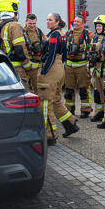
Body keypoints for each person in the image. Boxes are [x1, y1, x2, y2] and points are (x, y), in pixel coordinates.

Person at [38, 13, 78, 144]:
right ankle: (70, 123)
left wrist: (44, 71)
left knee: (45, 103)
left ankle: (50, 135)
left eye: (50, 20)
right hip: (59, 68)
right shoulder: (61, 34)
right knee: (56, 100)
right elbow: (64, 54)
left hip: (51, 69)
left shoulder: (54, 35)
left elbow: (51, 55)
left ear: (57, 22)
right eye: (47, 19)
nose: (47, 22)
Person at [0, 0, 32, 87]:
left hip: (2, 68)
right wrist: (28, 66)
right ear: (13, 7)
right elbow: (20, 49)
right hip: (16, 69)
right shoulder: (15, 25)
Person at [64, 15, 92, 118]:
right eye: (74, 21)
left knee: (84, 89)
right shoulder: (67, 34)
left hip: (82, 66)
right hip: (69, 66)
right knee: (69, 89)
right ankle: (69, 109)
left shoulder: (88, 35)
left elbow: (94, 46)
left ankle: (86, 110)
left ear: (83, 24)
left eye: (78, 22)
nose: (75, 23)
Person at [89, 14, 105, 122]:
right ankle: (99, 112)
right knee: (97, 92)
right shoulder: (94, 37)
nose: (97, 28)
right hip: (95, 69)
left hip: (104, 69)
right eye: (96, 26)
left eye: (100, 26)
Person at [23, 13, 44, 93]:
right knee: (25, 88)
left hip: (36, 66)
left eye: (34, 23)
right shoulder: (22, 32)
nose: (32, 25)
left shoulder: (39, 32)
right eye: (30, 23)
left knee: (37, 88)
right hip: (25, 66)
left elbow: (43, 44)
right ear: (26, 22)